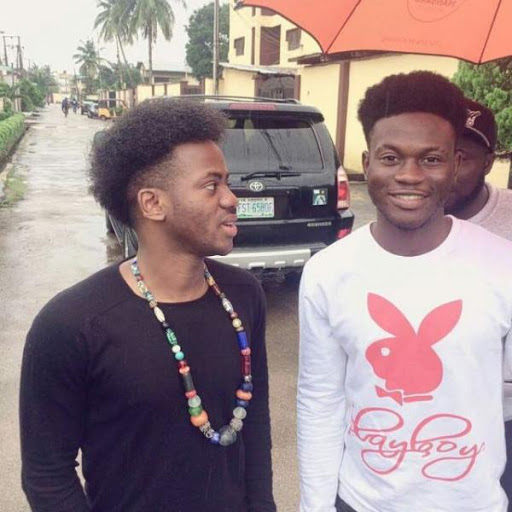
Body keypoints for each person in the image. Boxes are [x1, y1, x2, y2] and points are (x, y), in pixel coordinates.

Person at [20, 98, 276, 512]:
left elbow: (256, 425)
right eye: (211, 186)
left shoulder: (243, 296)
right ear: (152, 203)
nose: (232, 199)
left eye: (227, 183)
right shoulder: (71, 324)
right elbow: (47, 475)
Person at [297, 71, 512, 512]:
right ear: (367, 163)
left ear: (455, 164)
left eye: (430, 159)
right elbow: (320, 401)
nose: (409, 175)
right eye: (391, 157)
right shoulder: (327, 272)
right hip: (362, 503)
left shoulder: (502, 266)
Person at [445, 97, 512, 510]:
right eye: (440, 155)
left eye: (463, 158)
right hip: (436, 411)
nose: (448, 172)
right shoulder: (411, 214)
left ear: (488, 162)